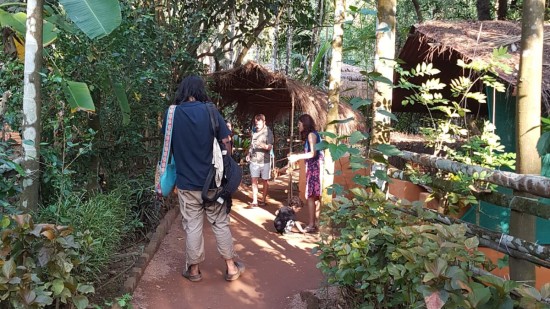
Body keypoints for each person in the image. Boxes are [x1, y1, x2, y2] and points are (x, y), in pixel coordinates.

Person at [163, 75, 244, 282]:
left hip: (186, 183)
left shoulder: (172, 114)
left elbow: (167, 146)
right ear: (200, 90)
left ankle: (194, 271)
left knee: (192, 226)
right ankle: (231, 267)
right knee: (220, 223)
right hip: (213, 182)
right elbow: (226, 141)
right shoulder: (210, 110)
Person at [287, 114, 323, 233]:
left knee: (311, 196)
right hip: (314, 168)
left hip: (315, 169)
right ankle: (316, 222)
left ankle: (312, 224)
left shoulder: (311, 135)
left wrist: (297, 156)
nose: (298, 126)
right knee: (315, 196)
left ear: (304, 124)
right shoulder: (313, 134)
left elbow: (312, 154)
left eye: (299, 123)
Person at [246, 114, 274, 207]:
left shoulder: (268, 132)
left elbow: (269, 147)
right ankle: (255, 201)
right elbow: (251, 145)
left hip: (265, 160)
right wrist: (248, 154)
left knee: (265, 180)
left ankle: (263, 199)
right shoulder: (254, 131)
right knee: (254, 180)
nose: (257, 124)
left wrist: (260, 144)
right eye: (256, 123)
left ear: (264, 122)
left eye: (259, 123)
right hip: (254, 159)